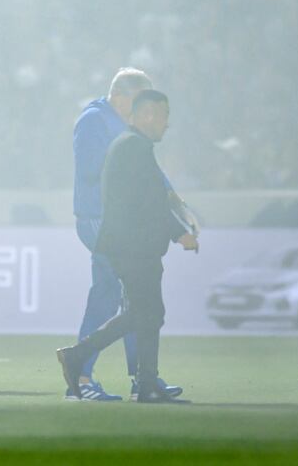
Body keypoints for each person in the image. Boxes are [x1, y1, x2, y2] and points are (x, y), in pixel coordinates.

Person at [57, 89, 199, 404]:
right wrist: (180, 233)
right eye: (164, 115)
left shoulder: (131, 146)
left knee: (147, 313)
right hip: (133, 246)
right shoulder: (134, 148)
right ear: (147, 115)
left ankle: (146, 381)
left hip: (131, 245)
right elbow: (151, 204)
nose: (166, 123)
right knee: (143, 312)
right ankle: (80, 356)